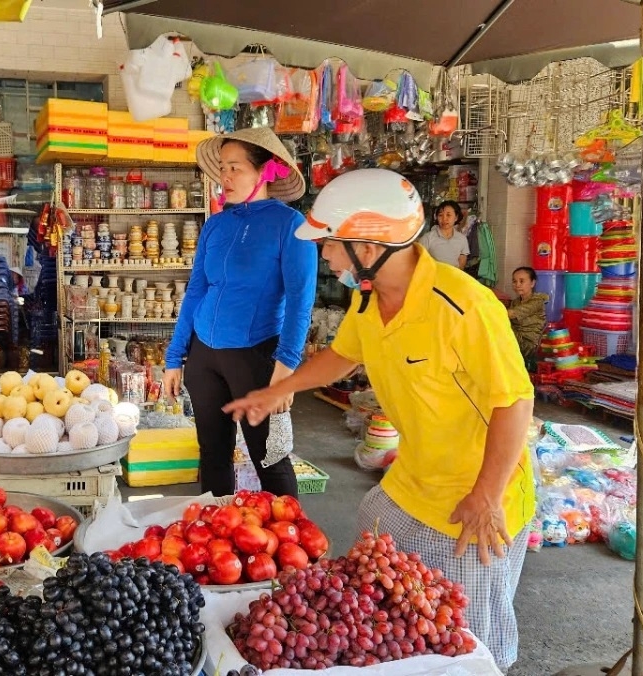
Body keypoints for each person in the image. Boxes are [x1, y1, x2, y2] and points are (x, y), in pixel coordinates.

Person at [224, 169, 535, 671]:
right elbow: (344, 356)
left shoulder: (466, 308)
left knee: (467, 635)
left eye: (330, 243)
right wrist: (276, 390)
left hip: (475, 494)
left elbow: (515, 402)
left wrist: (487, 494)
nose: (323, 255)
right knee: (381, 584)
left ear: (368, 249)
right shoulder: (368, 298)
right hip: (413, 481)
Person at [161, 127, 318, 498]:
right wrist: (174, 356)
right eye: (222, 168)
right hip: (204, 357)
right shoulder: (215, 225)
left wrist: (286, 371)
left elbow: (300, 300)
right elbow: (197, 290)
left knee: (271, 458)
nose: (224, 177)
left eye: (235, 168)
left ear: (265, 172)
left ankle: (292, 549)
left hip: (257, 357)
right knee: (212, 454)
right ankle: (218, 539)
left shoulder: (291, 226)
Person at [508, 267, 548, 367]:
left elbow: (511, 314)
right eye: (514, 281)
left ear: (532, 283)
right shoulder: (515, 302)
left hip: (528, 344)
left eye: (522, 281)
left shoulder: (537, 301)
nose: (517, 285)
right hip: (516, 338)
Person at [419, 200, 470, 268]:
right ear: (436, 217)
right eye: (440, 215)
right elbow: (420, 262)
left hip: (453, 277)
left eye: (448, 215)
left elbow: (462, 263)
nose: (444, 219)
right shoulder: (427, 238)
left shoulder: (462, 239)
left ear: (456, 217)